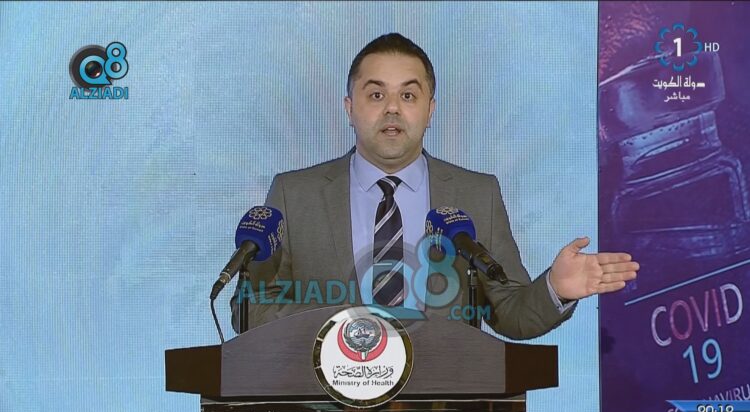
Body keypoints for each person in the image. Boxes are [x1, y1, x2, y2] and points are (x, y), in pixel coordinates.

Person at [230, 33, 639, 338]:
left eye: (409, 95)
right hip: (327, 406)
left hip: (446, 407)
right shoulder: (294, 194)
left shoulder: (476, 194)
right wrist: (349, 326)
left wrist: (554, 288)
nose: (392, 108)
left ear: (430, 110)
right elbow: (251, 310)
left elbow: (510, 313)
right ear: (349, 108)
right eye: (376, 95)